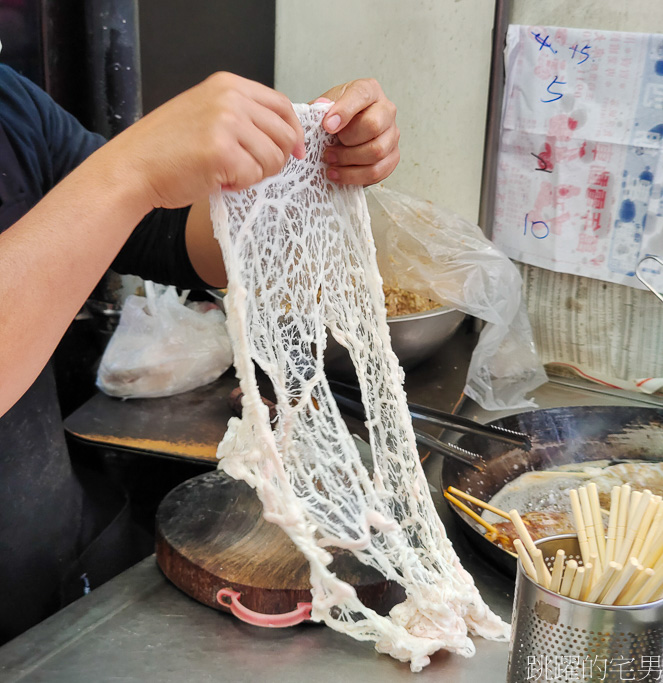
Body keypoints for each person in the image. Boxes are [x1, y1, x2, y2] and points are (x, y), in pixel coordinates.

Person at [0, 62, 400, 644]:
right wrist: (133, 168)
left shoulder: (10, 106)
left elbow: (167, 239)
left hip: (45, 569)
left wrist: (303, 167)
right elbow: (123, 186)